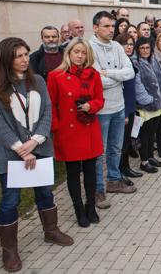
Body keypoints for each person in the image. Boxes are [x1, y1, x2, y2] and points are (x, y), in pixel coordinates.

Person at [0, 38, 74, 272]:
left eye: (26, 54)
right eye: (18, 55)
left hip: (39, 148)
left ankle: (50, 231)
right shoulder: (0, 86)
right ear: (6, 59)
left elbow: (47, 112)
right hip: (11, 154)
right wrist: (21, 147)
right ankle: (9, 250)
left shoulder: (38, 80)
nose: (24, 59)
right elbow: (0, 123)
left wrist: (34, 142)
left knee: (44, 192)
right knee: (11, 200)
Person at [47, 39, 104, 227]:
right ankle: (78, 209)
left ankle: (90, 206)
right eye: (76, 52)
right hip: (68, 131)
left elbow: (100, 99)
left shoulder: (93, 74)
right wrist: (56, 128)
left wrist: (91, 105)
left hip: (88, 128)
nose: (80, 56)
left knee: (90, 170)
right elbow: (52, 105)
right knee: (72, 173)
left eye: (83, 52)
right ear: (69, 53)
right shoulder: (56, 76)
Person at [90, 11, 137, 209]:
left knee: (115, 147)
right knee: (98, 152)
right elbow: (95, 80)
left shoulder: (117, 46)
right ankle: (98, 190)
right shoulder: (88, 48)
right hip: (101, 109)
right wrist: (116, 77)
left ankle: (114, 180)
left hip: (119, 106)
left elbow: (130, 72)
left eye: (112, 26)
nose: (111, 30)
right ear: (95, 28)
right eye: (106, 26)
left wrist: (108, 73)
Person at [131, 37, 161, 173]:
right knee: (145, 134)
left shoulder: (153, 60)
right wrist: (148, 100)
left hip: (157, 103)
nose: (145, 50)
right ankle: (144, 161)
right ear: (138, 49)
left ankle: (151, 157)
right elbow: (138, 85)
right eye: (142, 48)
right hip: (145, 106)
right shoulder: (135, 63)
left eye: (147, 48)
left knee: (153, 131)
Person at [114, 33, 142, 180]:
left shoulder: (130, 61)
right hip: (122, 109)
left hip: (131, 106)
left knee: (127, 141)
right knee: (122, 143)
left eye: (131, 44)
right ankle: (120, 171)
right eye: (126, 44)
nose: (129, 47)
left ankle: (126, 168)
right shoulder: (118, 64)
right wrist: (124, 113)